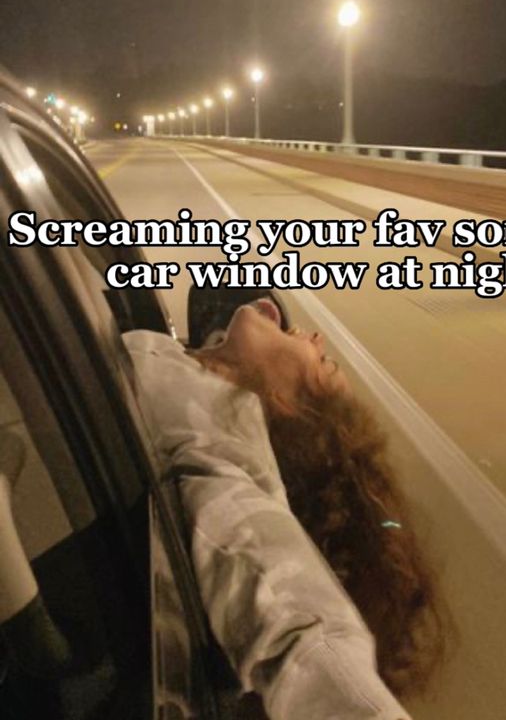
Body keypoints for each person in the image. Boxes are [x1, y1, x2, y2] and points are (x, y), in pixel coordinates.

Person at [123, 296, 444, 720]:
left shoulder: (223, 461)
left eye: (322, 360)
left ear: (287, 406)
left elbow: (311, 637)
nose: (317, 336)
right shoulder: (191, 384)